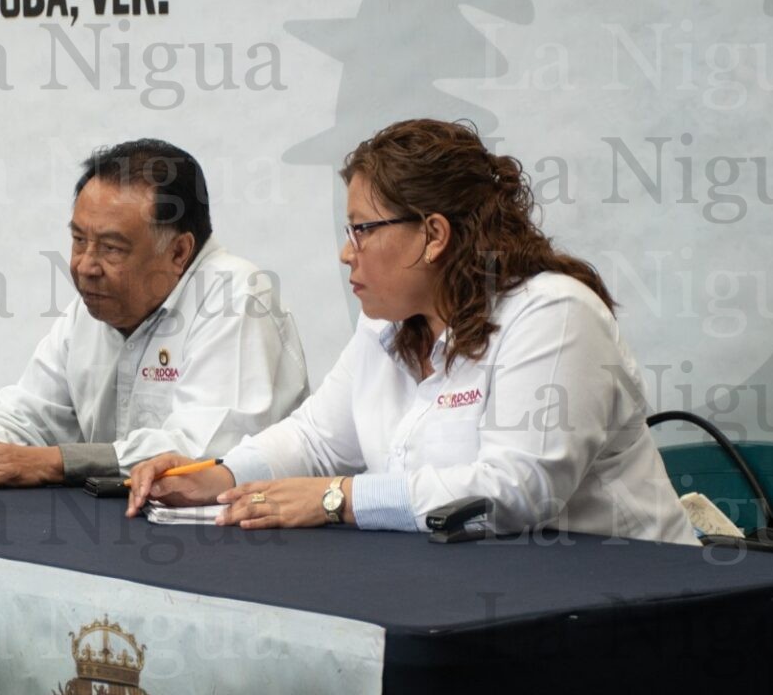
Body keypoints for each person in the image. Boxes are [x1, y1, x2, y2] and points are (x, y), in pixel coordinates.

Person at [126, 119, 698, 544]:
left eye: (362, 230)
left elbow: (517, 491)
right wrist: (216, 477)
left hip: (634, 602)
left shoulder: (554, 314)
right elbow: (317, 439)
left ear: (433, 235)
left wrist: (338, 499)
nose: (345, 253)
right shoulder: (386, 323)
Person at [0, 139, 309, 487]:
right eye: (78, 240)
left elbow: (203, 450)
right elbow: (33, 412)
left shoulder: (235, 296)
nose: (85, 265)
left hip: (237, 543)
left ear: (179, 252)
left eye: (111, 248)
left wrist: (56, 463)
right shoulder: (93, 306)